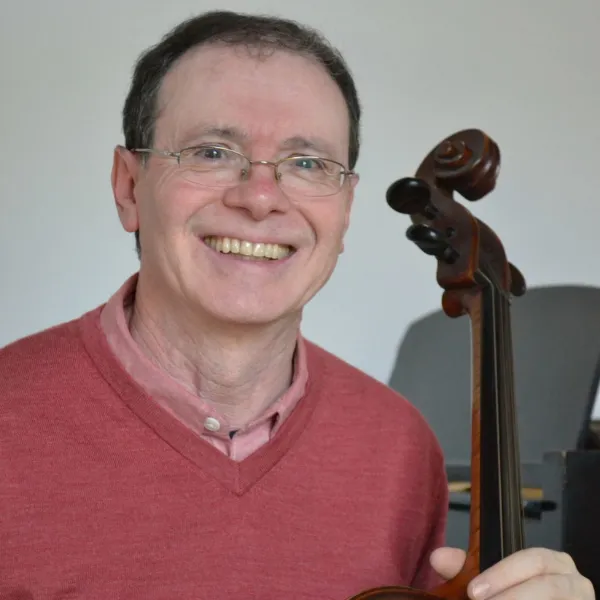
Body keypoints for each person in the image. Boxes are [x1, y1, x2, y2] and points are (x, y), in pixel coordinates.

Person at [0, 9, 593, 600]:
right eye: (211, 152)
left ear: (346, 209)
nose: (261, 198)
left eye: (308, 164)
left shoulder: (401, 449)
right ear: (129, 186)